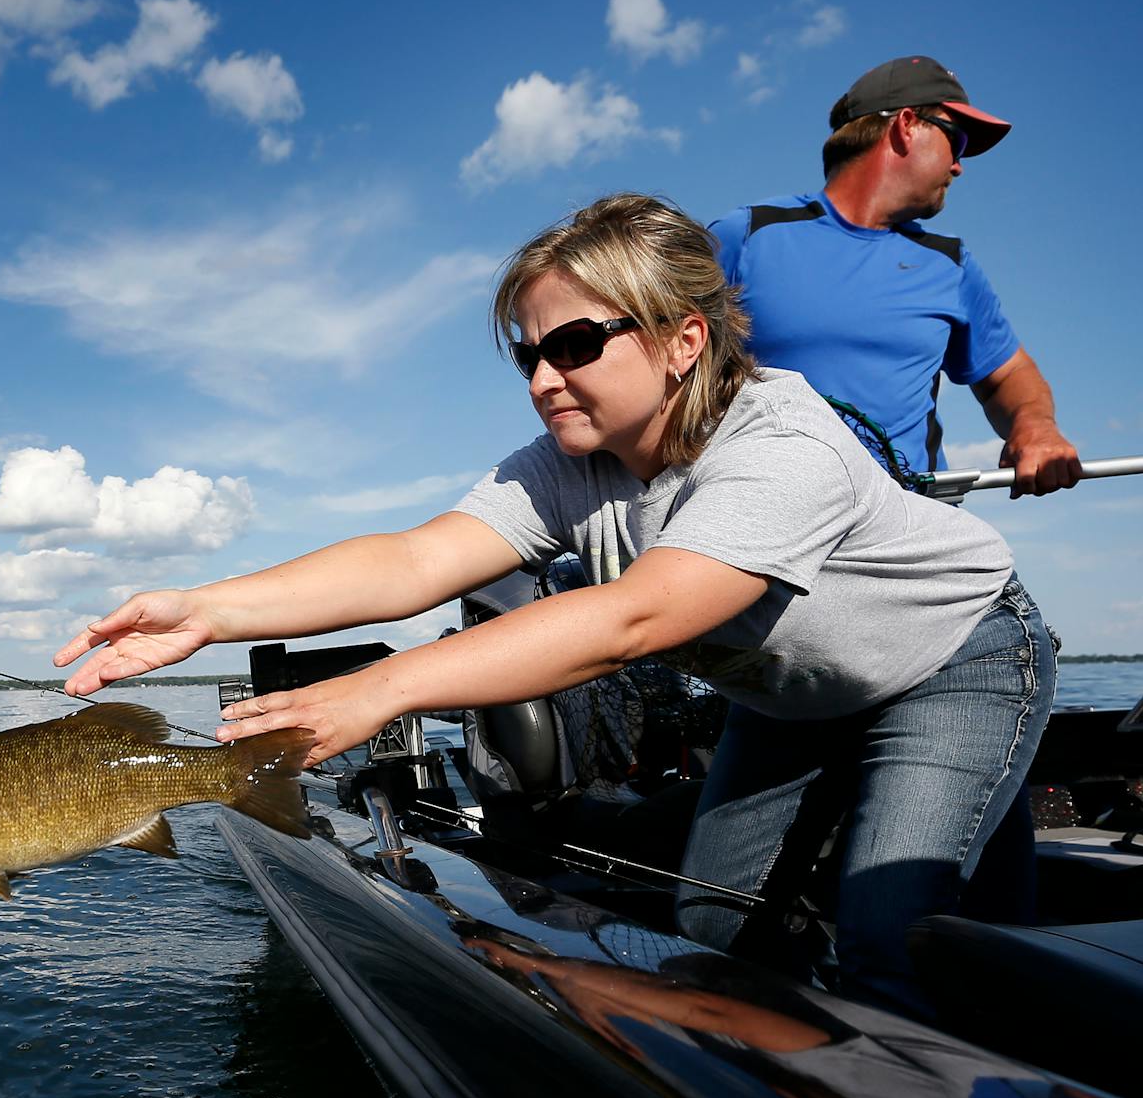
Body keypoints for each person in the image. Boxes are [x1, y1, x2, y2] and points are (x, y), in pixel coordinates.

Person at [55, 193, 1056, 1019]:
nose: (543, 379)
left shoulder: (779, 445)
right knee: (713, 930)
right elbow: (414, 561)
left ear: (682, 339)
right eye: (527, 353)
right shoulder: (571, 464)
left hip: (951, 662)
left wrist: (376, 692)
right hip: (795, 698)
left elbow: (634, 619)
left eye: (574, 344)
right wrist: (207, 611)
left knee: (896, 946)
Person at [709, 55, 1081, 497]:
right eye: (956, 142)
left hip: (913, 523)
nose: (959, 166)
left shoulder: (950, 263)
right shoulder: (747, 236)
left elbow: (1007, 373)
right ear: (907, 125)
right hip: (764, 519)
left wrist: (1035, 426)